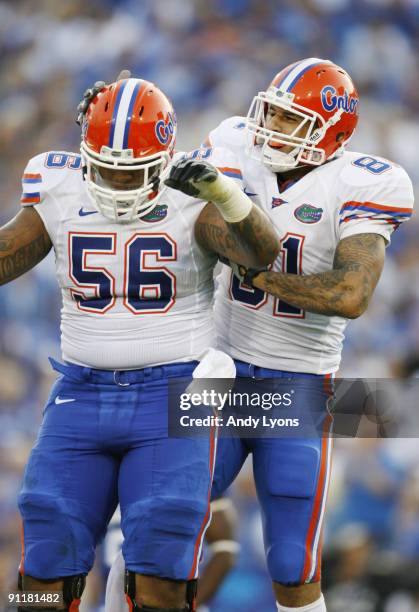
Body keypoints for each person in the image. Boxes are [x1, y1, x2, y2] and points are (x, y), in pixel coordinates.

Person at [81, 57, 414, 612]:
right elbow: (165, 177)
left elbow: (351, 295)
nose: (270, 129)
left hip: (298, 387)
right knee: (150, 519)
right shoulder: (235, 142)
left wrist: (259, 273)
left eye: (289, 121)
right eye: (272, 114)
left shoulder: (368, 182)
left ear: (331, 130)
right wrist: (110, 123)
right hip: (218, 369)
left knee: (292, 568)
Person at [3, 77, 279, 612]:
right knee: (43, 561)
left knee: (163, 569)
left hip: (173, 396)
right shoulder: (57, 184)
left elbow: (262, 254)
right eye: (104, 165)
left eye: (130, 169)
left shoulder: (192, 195)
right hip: (80, 394)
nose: (113, 179)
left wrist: (225, 194)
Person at [104, 497, 239, 611]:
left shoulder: (185, 473)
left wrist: (188, 606)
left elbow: (224, 548)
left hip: (169, 598)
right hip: (114, 598)